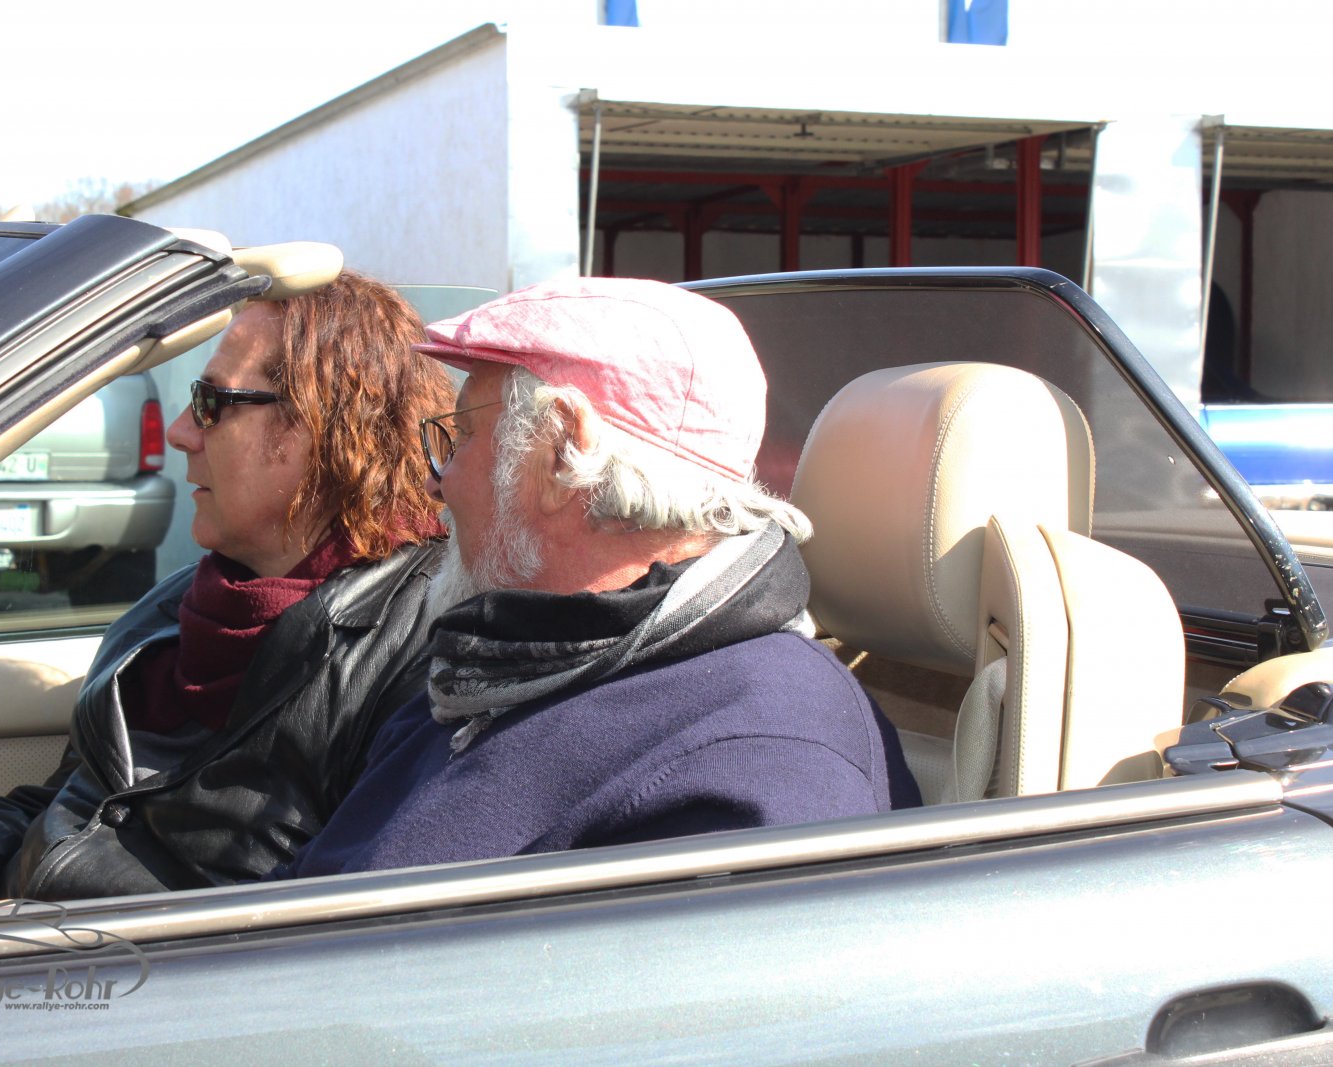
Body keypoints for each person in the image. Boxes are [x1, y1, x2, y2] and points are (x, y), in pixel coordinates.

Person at [282, 277, 920, 880]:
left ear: (564, 452)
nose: (434, 481)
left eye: (463, 435)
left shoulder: (765, 752)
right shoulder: (505, 664)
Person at [0, 270, 455, 902]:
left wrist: (14, 932)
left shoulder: (423, 645)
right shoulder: (169, 612)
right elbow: (67, 806)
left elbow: (323, 919)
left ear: (325, 426)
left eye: (212, 403)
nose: (181, 432)